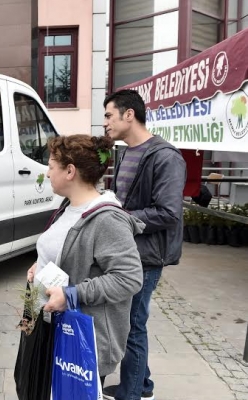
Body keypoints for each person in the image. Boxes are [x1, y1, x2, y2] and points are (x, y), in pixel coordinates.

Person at [27, 134, 144, 384]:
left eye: (50, 167)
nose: (47, 174)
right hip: (52, 327)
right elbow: (69, 250)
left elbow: (129, 278)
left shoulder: (107, 219)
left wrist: (71, 294)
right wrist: (42, 265)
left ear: (70, 171)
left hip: (80, 340)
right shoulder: (68, 206)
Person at [101, 90, 186, 400]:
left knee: (132, 325)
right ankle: (142, 383)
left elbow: (168, 213)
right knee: (132, 321)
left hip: (147, 256)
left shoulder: (165, 156)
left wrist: (119, 217)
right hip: (128, 251)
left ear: (128, 115)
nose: (106, 123)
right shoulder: (125, 152)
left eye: (109, 115)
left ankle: (132, 392)